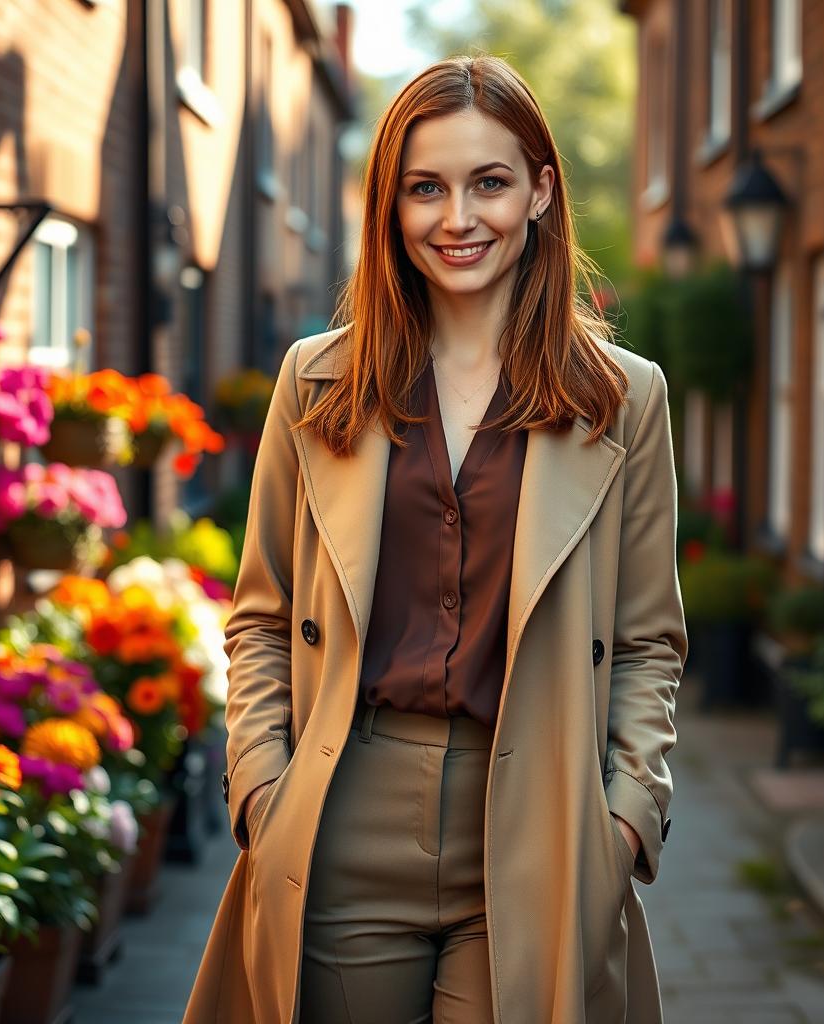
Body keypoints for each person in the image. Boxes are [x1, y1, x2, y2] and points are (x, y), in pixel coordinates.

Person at [183, 53, 687, 1024]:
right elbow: (261, 614)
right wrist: (261, 790)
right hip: (342, 818)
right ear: (390, 205)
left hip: (539, 819)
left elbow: (646, 641)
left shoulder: (622, 399)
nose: (457, 219)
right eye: (425, 188)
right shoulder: (316, 382)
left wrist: (623, 816)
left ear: (541, 189)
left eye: (489, 182)